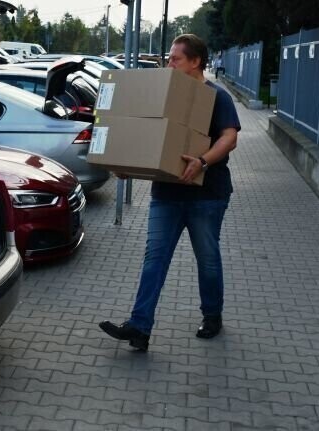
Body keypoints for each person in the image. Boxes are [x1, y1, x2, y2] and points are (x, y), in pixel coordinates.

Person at [99, 34, 241, 351]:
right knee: (154, 260)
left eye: (175, 59)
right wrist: (128, 166)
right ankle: (139, 327)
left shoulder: (217, 97)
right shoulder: (165, 96)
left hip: (207, 195)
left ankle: (212, 315)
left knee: (207, 259)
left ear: (195, 61)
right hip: (166, 194)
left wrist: (203, 161)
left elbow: (229, 138)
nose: (169, 64)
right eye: (169, 58)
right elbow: (149, 139)